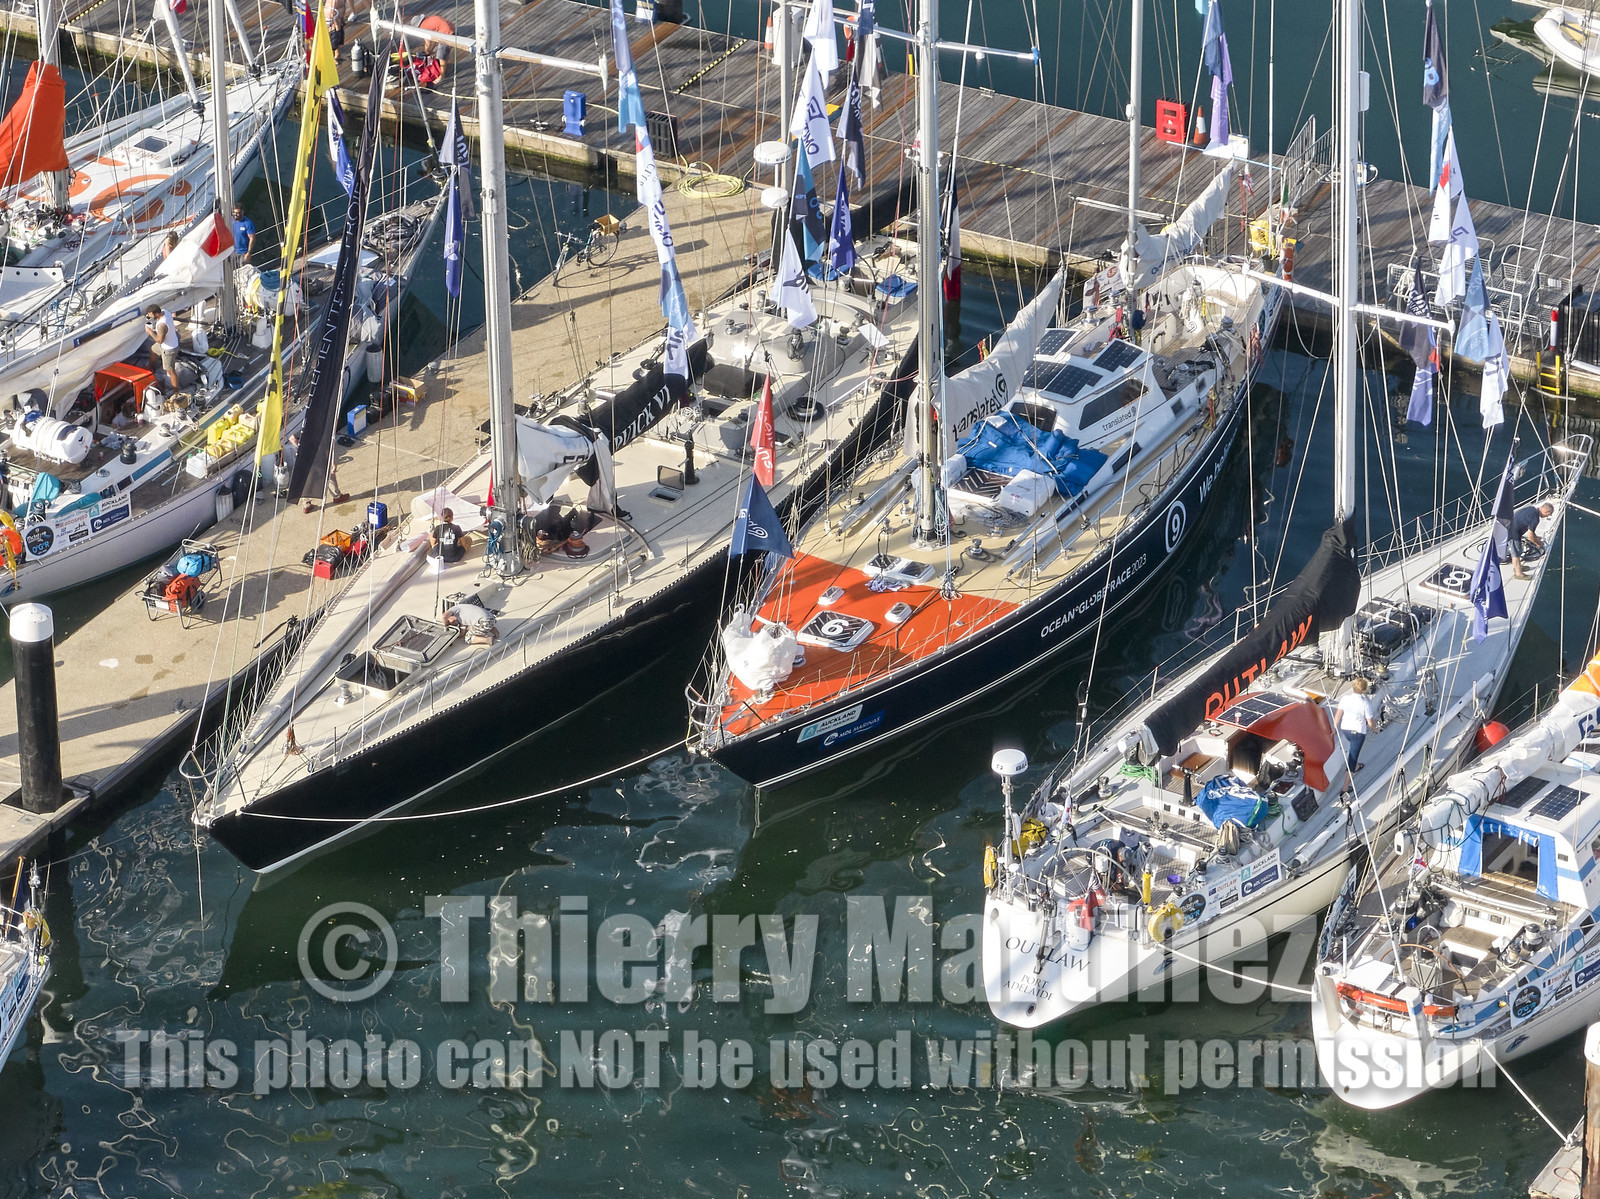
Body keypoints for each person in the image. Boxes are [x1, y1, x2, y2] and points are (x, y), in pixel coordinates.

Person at [1336, 677, 1379, 775]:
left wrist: (1334, 728)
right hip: (1358, 733)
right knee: (1353, 757)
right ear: (1364, 690)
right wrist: (1375, 730)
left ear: (1353, 687)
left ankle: (1356, 765)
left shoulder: (1345, 698)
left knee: (1354, 750)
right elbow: (1370, 722)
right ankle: (1347, 782)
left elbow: (1338, 714)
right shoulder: (1365, 703)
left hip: (1345, 730)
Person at [1510, 502, 1555, 581]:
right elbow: (1530, 537)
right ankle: (1518, 574)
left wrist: (1536, 537)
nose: (1548, 516)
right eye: (1549, 514)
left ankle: (1519, 566)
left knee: (1518, 551)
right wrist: (1539, 544)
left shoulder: (1531, 509)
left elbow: (1531, 531)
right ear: (1546, 512)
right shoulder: (1535, 518)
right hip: (1512, 534)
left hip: (1511, 527)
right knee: (1516, 554)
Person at [144, 305, 180, 391]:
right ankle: (151, 367)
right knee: (153, 350)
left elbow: (159, 340)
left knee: (171, 371)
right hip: (170, 341)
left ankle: (176, 392)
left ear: (157, 313)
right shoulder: (165, 312)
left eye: (151, 315)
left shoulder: (162, 325)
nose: (150, 317)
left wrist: (150, 332)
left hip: (169, 349)